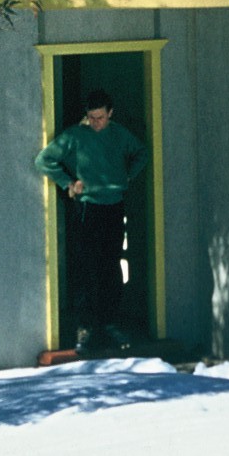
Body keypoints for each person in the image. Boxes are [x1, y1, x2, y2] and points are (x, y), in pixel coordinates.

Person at [33, 88, 149, 354]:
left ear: (110, 113)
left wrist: (127, 175)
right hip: (87, 208)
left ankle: (110, 323)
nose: (96, 123)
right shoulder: (75, 136)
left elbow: (141, 153)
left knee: (111, 267)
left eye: (101, 117)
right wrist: (68, 183)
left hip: (114, 206)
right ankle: (84, 328)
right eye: (91, 118)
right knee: (86, 268)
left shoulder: (119, 134)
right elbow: (44, 160)